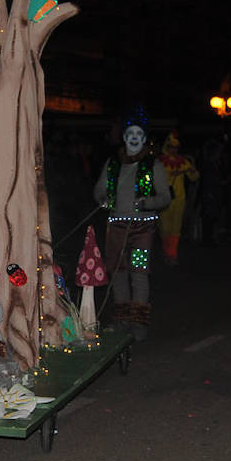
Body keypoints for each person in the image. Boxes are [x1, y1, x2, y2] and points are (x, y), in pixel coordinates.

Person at [92, 109, 171, 337]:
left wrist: (147, 203)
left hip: (142, 229)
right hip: (116, 227)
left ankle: (138, 323)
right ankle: (121, 320)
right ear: (124, 137)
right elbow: (98, 189)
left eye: (139, 133)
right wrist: (102, 199)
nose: (134, 137)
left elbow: (165, 197)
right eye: (130, 133)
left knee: (139, 272)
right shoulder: (113, 164)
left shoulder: (152, 165)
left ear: (144, 138)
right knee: (117, 272)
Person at [157, 131, 199, 265]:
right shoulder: (159, 162)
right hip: (164, 199)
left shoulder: (183, 161)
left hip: (179, 199)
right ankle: (167, 253)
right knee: (165, 227)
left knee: (176, 228)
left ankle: (172, 254)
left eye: (176, 147)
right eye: (171, 147)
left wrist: (192, 171)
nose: (174, 150)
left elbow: (194, 177)